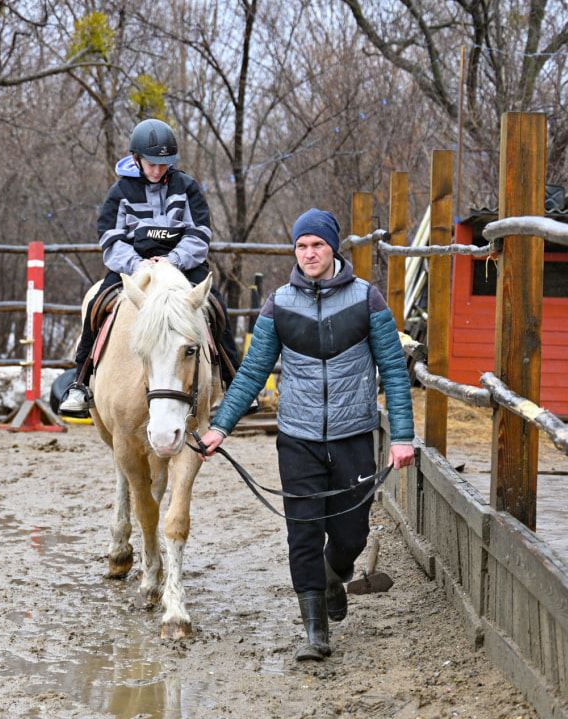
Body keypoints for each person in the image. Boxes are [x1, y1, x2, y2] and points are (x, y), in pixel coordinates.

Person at [198, 208, 416, 662]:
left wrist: (402, 436)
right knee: (302, 533)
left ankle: (335, 575)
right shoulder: (279, 303)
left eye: (317, 244)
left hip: (354, 433)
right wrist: (221, 426)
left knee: (351, 534)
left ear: (333, 247)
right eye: (301, 245)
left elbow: (394, 370)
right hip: (297, 437)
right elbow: (253, 371)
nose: (309, 253)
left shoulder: (367, 300)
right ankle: (315, 633)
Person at [59, 119, 240, 417]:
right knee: (96, 305)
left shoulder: (187, 188)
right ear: (137, 159)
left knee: (216, 306)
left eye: (163, 164)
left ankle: (232, 380)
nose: (157, 170)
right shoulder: (121, 191)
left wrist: (175, 260)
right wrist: (136, 264)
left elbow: (200, 233)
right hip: (134, 265)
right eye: (151, 164)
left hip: (181, 264)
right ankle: (80, 381)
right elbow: (110, 236)